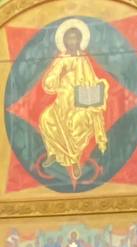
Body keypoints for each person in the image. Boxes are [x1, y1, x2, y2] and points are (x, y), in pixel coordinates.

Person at [37, 24, 109, 183]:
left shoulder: (83, 60)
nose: (72, 41)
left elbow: (92, 80)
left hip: (80, 103)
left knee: (77, 123)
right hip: (63, 101)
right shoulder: (61, 60)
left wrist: (98, 87)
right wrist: (60, 74)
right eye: (69, 38)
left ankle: (74, 160)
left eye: (75, 38)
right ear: (64, 41)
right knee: (46, 118)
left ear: (80, 40)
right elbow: (49, 83)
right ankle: (53, 153)